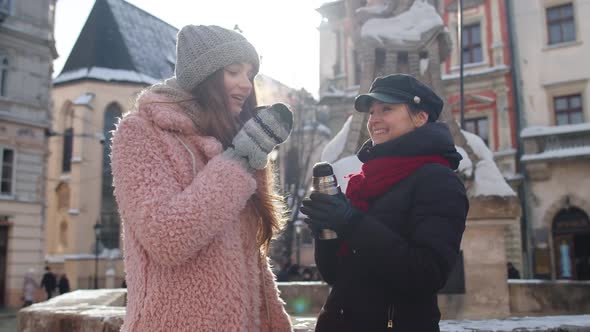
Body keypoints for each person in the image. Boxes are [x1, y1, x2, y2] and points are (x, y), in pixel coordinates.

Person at [111, 25, 293, 331]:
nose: (246, 84)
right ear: (202, 76)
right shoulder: (140, 132)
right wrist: (237, 161)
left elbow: (252, 263)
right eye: (234, 72)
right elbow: (166, 238)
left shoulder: (230, 140)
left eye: (250, 74)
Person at [301, 74, 469, 332]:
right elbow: (336, 275)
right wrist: (327, 231)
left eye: (387, 109)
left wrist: (351, 221)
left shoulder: (438, 180)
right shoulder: (367, 179)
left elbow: (426, 274)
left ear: (420, 117)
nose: (374, 119)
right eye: (371, 112)